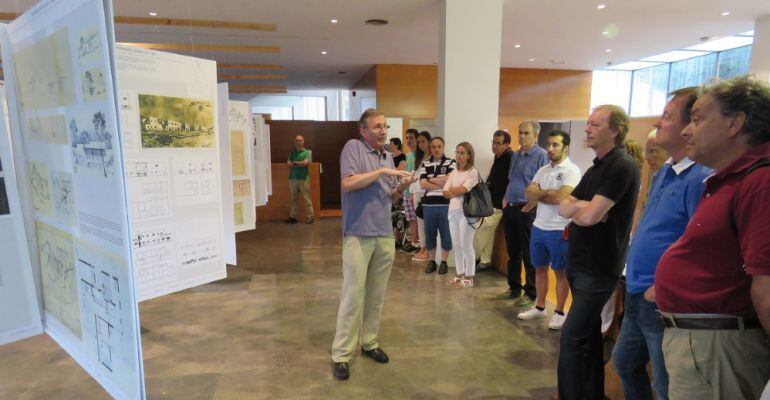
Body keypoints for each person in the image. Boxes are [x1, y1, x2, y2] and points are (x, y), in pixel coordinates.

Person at [653, 76, 770, 399]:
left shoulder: (760, 180)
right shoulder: (732, 179)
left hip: (717, 346)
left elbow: (766, 284)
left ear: (735, 123)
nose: (687, 130)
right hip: (703, 342)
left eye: (698, 119)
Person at [612, 87, 712, 400]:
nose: (657, 121)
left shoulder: (701, 178)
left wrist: (664, 286)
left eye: (666, 116)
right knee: (625, 363)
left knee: (666, 382)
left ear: (688, 127)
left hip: (660, 299)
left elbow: (700, 245)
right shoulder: (666, 171)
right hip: (636, 291)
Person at [557, 105, 641, 400]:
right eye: (588, 124)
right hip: (580, 265)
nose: (587, 129)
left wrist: (584, 209)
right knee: (589, 338)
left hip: (598, 269)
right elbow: (564, 205)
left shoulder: (622, 166)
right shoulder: (596, 168)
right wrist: (585, 207)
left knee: (572, 338)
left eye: (595, 124)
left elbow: (590, 217)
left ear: (615, 130)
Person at [331, 109, 414, 381]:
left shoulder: (387, 155)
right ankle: (342, 354)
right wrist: (381, 171)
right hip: (357, 233)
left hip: (383, 234)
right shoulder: (353, 148)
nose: (383, 130)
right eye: (377, 126)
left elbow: (388, 196)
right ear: (363, 130)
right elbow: (347, 183)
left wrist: (402, 186)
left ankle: (369, 342)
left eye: (385, 126)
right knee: (353, 295)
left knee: (376, 295)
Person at [516, 130, 580, 330]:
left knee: (560, 272)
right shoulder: (543, 170)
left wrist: (540, 194)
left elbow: (559, 198)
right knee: (539, 269)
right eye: (549, 144)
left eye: (555, 145)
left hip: (559, 229)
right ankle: (540, 306)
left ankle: (560, 311)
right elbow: (528, 193)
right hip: (539, 227)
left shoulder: (572, 170)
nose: (550, 149)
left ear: (565, 148)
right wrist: (547, 192)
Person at [499, 121, 548, 304]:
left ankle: (531, 292)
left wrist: (532, 204)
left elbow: (543, 186)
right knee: (513, 251)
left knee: (528, 252)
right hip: (511, 207)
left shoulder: (541, 155)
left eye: (526, 133)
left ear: (535, 136)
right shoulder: (516, 155)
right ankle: (514, 287)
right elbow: (512, 179)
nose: (522, 136)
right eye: (520, 132)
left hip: (527, 210)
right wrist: (505, 198)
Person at [473, 130, 512, 271]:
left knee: (481, 229)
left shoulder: (509, 157)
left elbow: (510, 180)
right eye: (493, 142)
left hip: (499, 204)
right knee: (487, 232)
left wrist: (505, 199)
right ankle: (485, 260)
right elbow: (493, 178)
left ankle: (472, 259)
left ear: (507, 144)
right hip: (491, 201)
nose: (494, 146)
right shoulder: (498, 157)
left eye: (498, 143)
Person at [443, 142, 480, 288]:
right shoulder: (453, 172)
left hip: (467, 213)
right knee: (457, 245)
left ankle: (469, 276)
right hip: (453, 212)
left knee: (466, 244)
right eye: (457, 152)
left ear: (469, 155)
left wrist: (454, 190)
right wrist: (455, 190)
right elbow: (445, 192)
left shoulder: (473, 172)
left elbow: (464, 189)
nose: (458, 155)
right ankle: (459, 273)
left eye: (462, 153)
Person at [420, 137, 455, 274]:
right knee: (429, 234)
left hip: (446, 204)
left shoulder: (451, 162)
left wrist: (431, 179)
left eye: (439, 146)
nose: (436, 149)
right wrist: (441, 182)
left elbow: (449, 181)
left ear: (443, 147)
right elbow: (423, 184)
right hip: (428, 205)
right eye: (433, 147)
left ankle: (444, 262)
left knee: (446, 234)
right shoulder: (425, 164)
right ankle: (432, 261)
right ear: (430, 148)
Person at [411, 131, 433, 262]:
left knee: (427, 223)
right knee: (419, 222)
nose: (420, 144)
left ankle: (428, 249)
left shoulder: (433, 158)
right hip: (417, 192)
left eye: (423, 141)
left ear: (429, 141)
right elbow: (415, 176)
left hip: (427, 193)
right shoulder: (418, 158)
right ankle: (422, 248)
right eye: (418, 142)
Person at [400, 129, 421, 253]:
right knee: (411, 219)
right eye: (406, 138)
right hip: (406, 192)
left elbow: (418, 176)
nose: (408, 140)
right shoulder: (408, 155)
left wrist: (413, 193)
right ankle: (414, 242)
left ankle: (419, 244)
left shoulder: (420, 156)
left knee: (417, 219)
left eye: (411, 138)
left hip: (414, 193)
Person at [286, 134, 314, 224]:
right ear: (295, 142)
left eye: (300, 140)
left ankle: (310, 217)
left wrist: (294, 163)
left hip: (303, 179)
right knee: (293, 199)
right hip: (293, 179)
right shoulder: (292, 152)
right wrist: (296, 163)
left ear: (303, 142)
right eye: (297, 141)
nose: (298, 142)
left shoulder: (306, 152)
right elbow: (288, 162)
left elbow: (305, 163)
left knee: (307, 199)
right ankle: (293, 217)